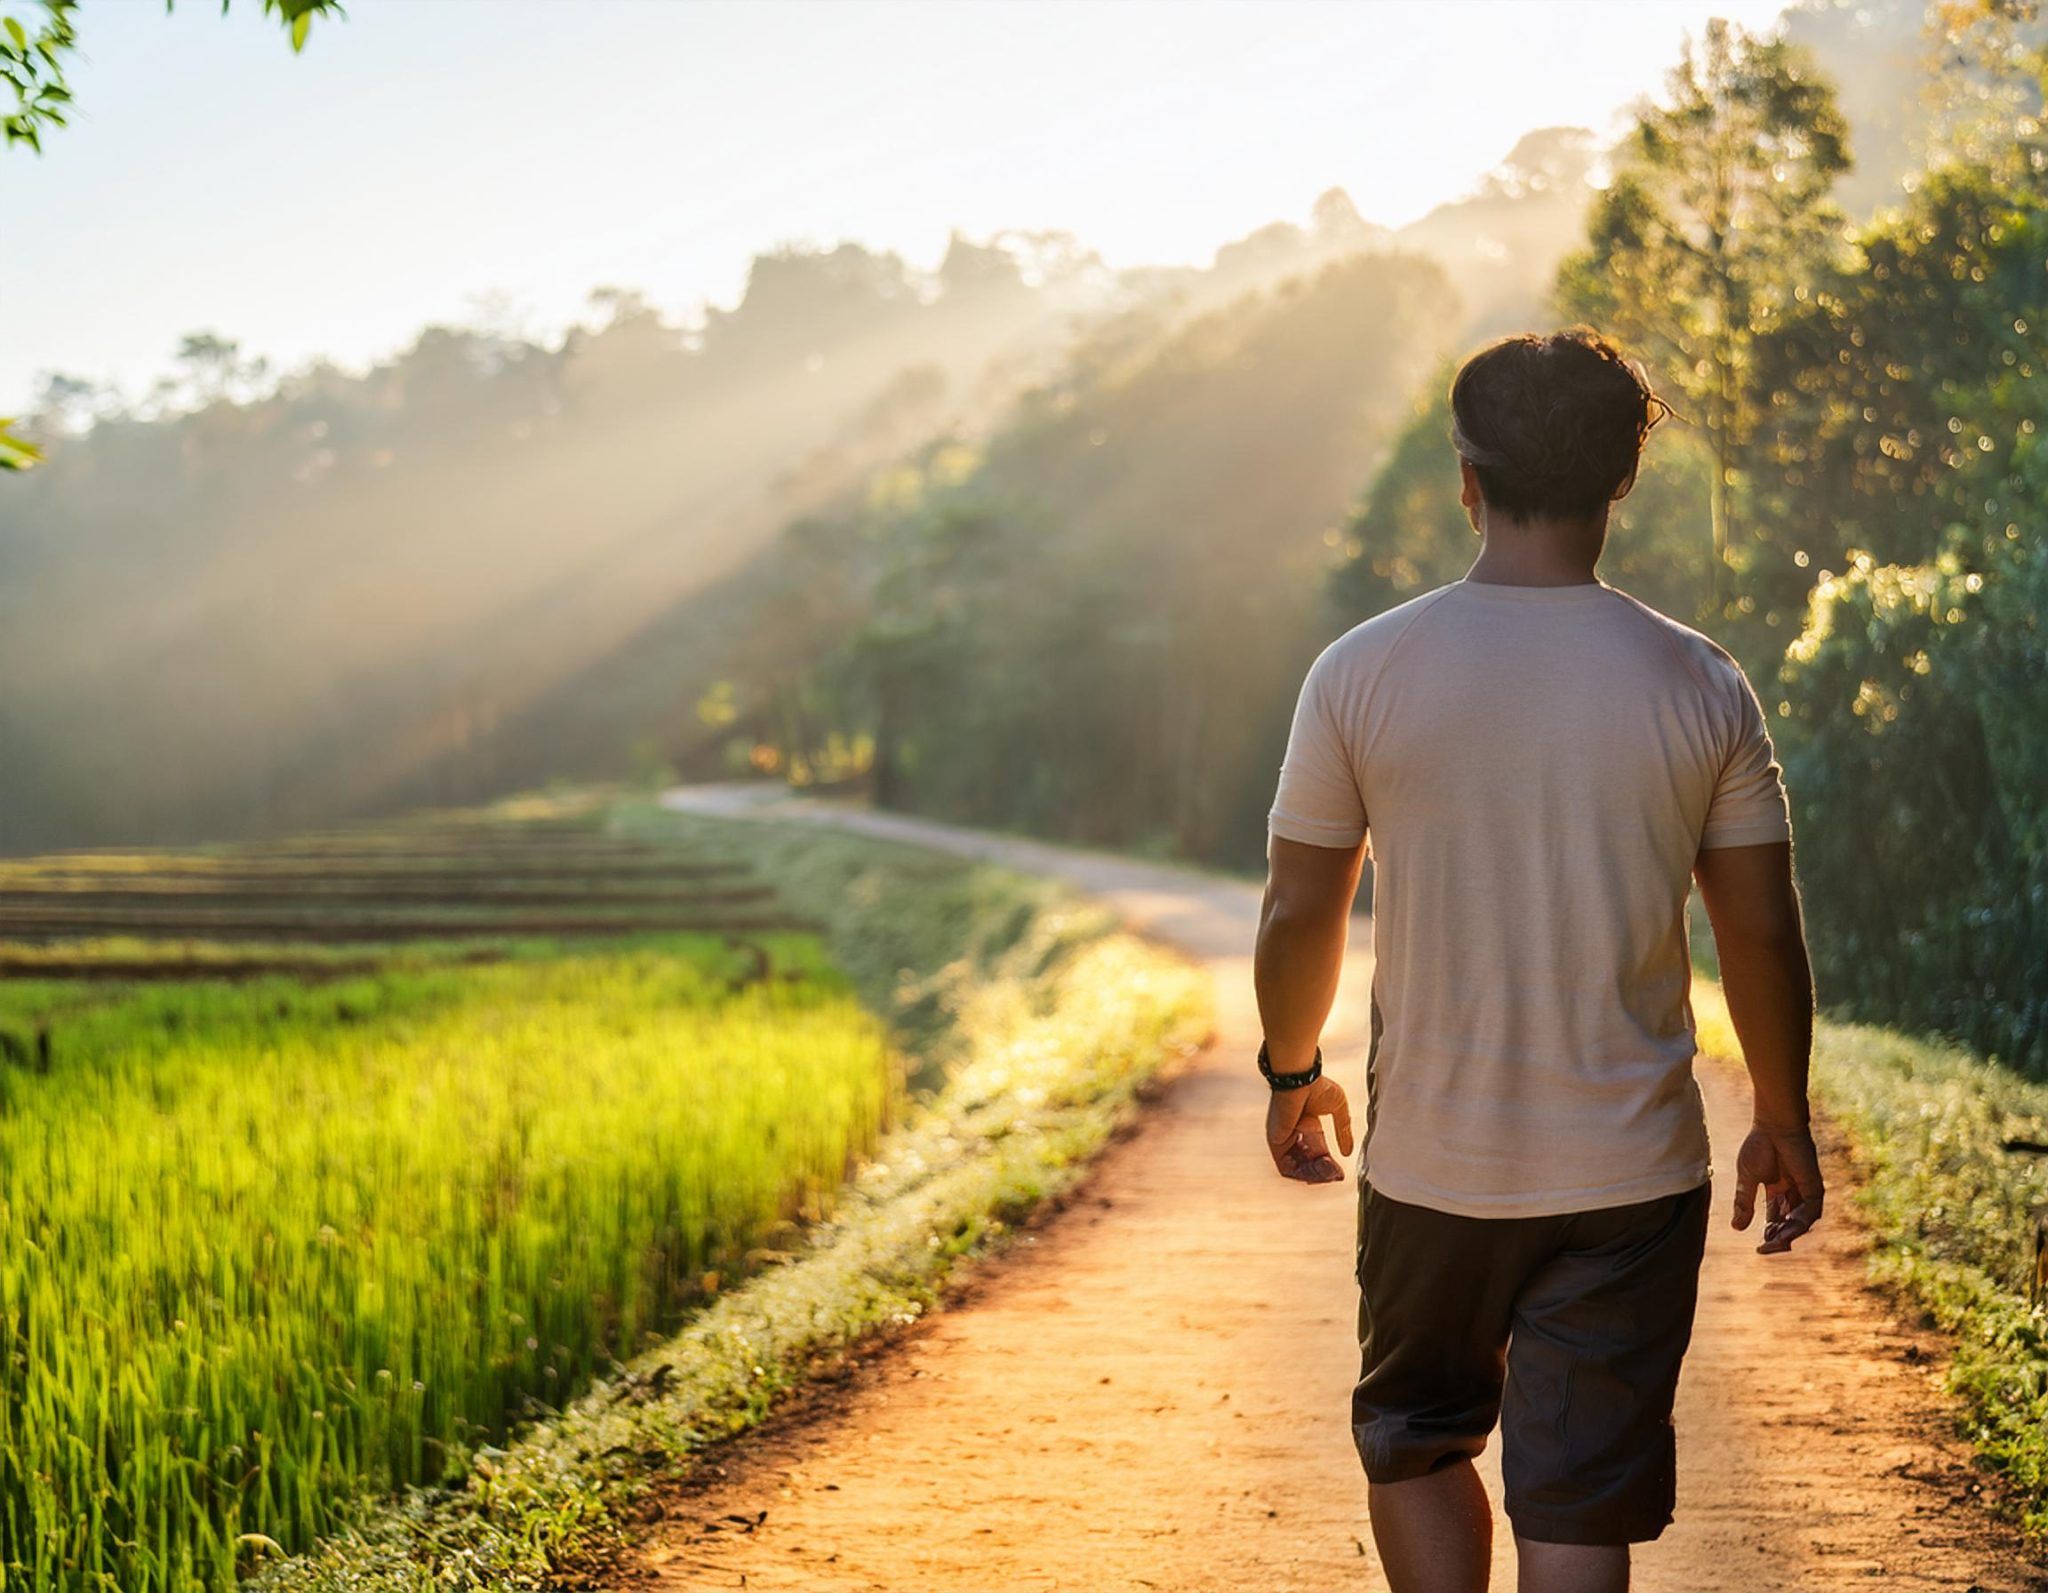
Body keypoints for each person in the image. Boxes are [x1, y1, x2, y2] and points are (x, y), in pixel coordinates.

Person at [1251, 327, 1823, 1593]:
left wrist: (1292, 1074)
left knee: (1414, 1445)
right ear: (1621, 477)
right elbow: (1761, 930)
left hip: (1432, 1167)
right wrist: (1779, 1116)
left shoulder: (1359, 672)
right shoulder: (1699, 682)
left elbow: (1299, 913)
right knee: (1576, 1500)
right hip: (1630, 1174)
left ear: (1465, 475)